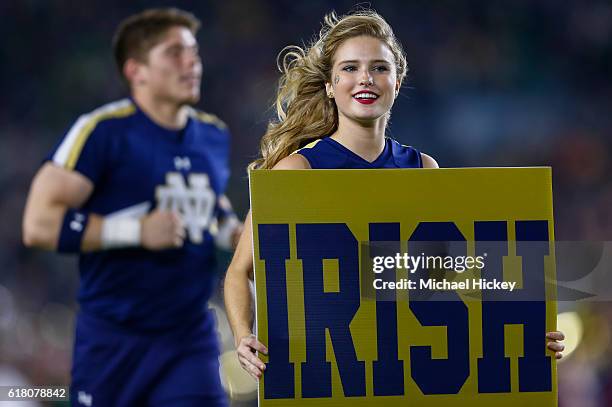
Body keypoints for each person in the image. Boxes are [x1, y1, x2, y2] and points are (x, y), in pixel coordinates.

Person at [223, 10, 565, 381]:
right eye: (350, 68)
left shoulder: (423, 167)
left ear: (397, 83)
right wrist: (244, 336)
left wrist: (527, 331)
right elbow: (241, 271)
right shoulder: (297, 170)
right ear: (329, 85)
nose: (365, 79)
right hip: (333, 371)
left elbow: (444, 277)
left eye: (379, 68)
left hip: (402, 368)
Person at [22, 8, 239, 406]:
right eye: (175, 53)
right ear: (136, 70)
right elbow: (38, 223)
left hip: (189, 339)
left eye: (194, 53)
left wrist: (236, 233)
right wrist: (134, 231)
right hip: (114, 342)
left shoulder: (212, 134)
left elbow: (210, 204)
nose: (192, 62)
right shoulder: (103, 131)